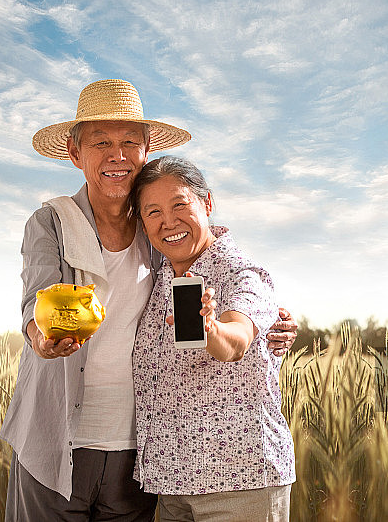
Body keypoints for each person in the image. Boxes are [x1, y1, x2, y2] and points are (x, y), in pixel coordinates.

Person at [0, 79, 297, 522]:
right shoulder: (51, 221)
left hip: (137, 453)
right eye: (100, 143)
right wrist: (40, 338)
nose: (116, 156)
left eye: (129, 143)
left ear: (145, 150)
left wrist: (268, 321)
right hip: (56, 438)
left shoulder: (160, 234)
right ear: (75, 152)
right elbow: (37, 298)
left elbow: (236, 291)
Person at [130, 156, 295, 522]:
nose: (168, 222)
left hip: (240, 482)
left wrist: (211, 330)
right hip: (173, 485)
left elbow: (236, 340)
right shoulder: (160, 278)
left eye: (179, 205)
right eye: (152, 212)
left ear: (206, 203)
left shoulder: (243, 274)